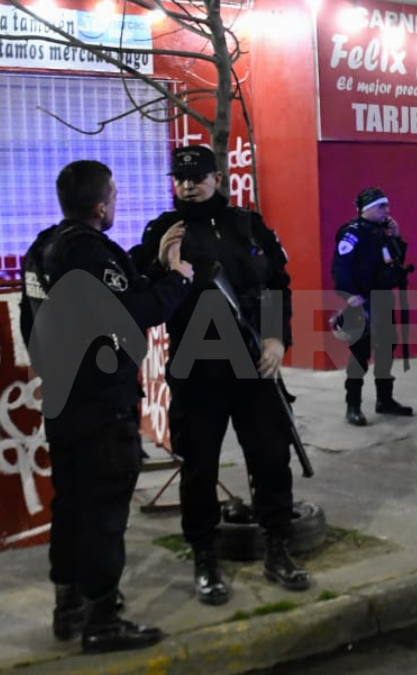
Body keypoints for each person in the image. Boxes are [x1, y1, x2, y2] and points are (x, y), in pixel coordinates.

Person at [20, 160, 194, 654]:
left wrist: (155, 265)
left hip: (63, 400)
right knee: (103, 512)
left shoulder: (42, 250)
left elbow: (29, 326)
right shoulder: (88, 253)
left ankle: (68, 608)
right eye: (115, 195)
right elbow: (133, 312)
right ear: (102, 203)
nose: (116, 201)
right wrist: (177, 279)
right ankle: (103, 620)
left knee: (72, 504)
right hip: (101, 405)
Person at [138, 145, 311, 604]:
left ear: (218, 178)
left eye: (196, 177)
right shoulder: (163, 230)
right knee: (199, 467)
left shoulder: (247, 224)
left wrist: (276, 338)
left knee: (271, 459)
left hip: (253, 360)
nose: (187, 186)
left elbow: (277, 283)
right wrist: (158, 261)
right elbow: (142, 294)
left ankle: (278, 549)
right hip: (196, 363)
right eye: (179, 179)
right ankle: (205, 557)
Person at [331, 187, 415, 426]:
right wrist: (349, 296)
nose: (387, 210)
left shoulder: (383, 231)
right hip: (362, 301)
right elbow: (340, 267)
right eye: (381, 206)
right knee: (360, 354)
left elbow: (396, 260)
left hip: (383, 299)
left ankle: (385, 400)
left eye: (386, 206)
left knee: (386, 349)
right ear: (367, 209)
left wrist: (397, 236)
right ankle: (353, 406)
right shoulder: (352, 234)